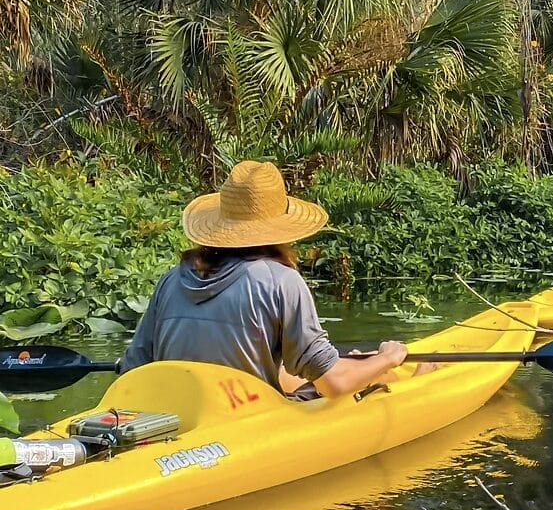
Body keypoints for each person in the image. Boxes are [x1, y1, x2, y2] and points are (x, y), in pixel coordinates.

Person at [118, 160, 409, 399]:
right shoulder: (281, 282)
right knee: (374, 377)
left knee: (291, 373)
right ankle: (413, 372)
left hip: (179, 418)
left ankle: (355, 362)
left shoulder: (172, 280)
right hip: (244, 420)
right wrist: (386, 358)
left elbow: (132, 371)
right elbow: (333, 385)